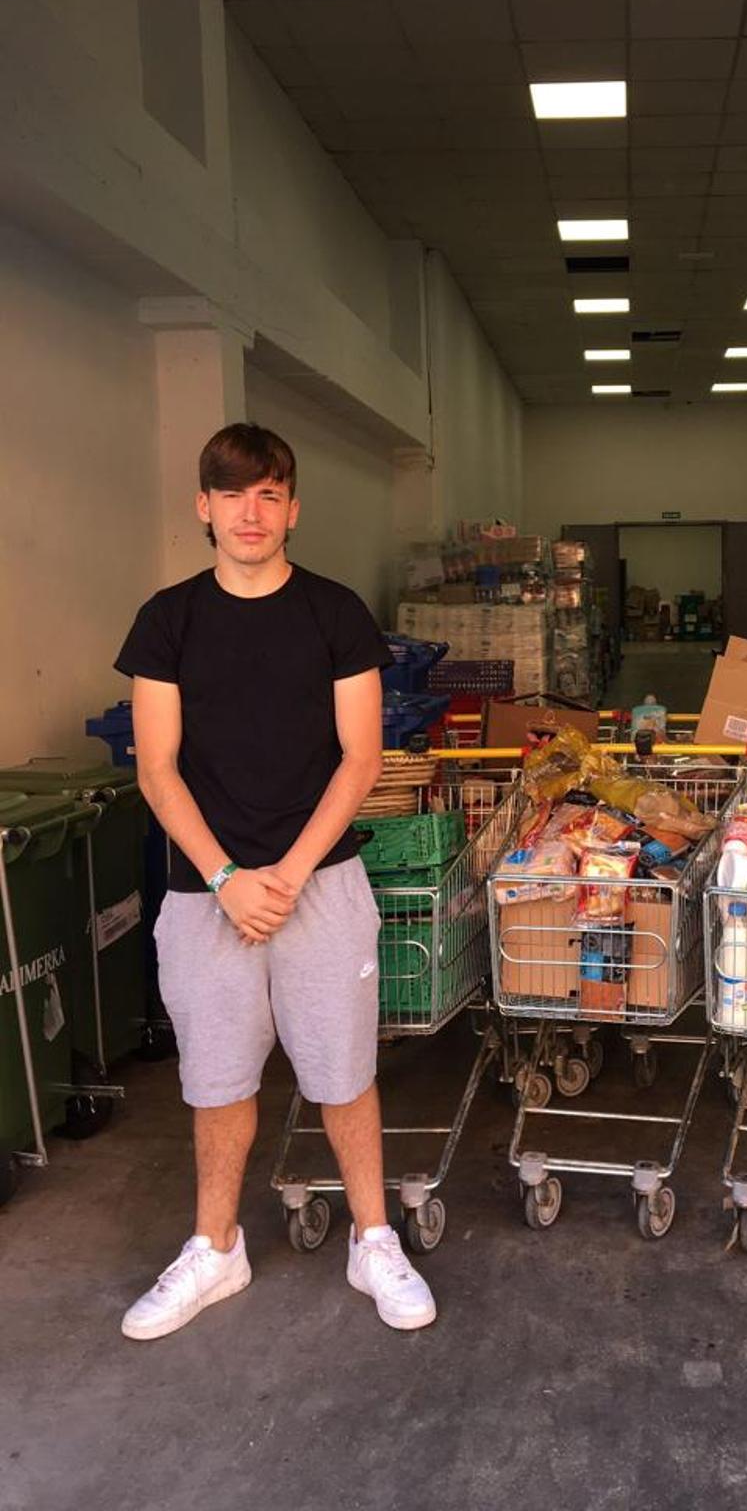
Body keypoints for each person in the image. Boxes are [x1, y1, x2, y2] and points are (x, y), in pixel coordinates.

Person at [116, 423, 435, 1339]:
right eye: (231, 494)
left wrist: (286, 877)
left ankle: (374, 1237)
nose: (249, 513)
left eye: (268, 495)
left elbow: (362, 758)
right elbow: (157, 770)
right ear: (203, 507)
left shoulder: (335, 615)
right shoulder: (167, 620)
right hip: (202, 891)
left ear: (292, 508)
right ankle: (216, 1249)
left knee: (343, 1072)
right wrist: (224, 878)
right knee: (216, 1082)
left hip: (319, 886)